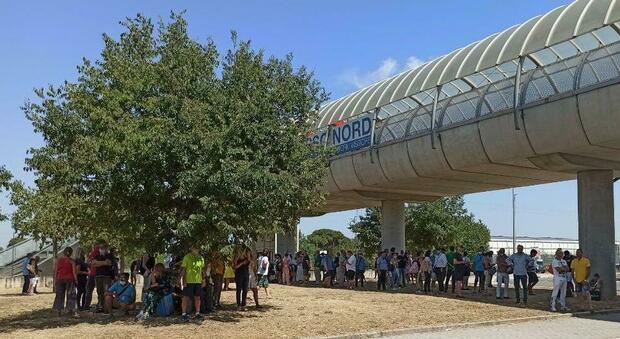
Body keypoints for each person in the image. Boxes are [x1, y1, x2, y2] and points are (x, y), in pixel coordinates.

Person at [179, 246, 205, 321]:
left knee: (197, 297)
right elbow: (184, 269)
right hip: (188, 281)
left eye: (197, 248)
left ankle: (197, 313)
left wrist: (203, 280)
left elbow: (202, 270)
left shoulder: (201, 258)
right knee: (185, 297)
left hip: (198, 281)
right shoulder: (187, 257)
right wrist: (183, 280)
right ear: (191, 248)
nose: (195, 249)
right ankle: (183, 314)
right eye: (194, 247)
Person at [53, 247, 79, 317]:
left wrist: (55, 280)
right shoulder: (72, 261)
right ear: (71, 253)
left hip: (60, 279)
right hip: (70, 279)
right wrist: (76, 280)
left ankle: (59, 311)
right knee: (71, 294)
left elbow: (56, 271)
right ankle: (71, 309)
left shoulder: (59, 260)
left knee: (59, 295)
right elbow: (74, 272)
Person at [92, 242, 114, 312]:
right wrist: (104, 262)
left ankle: (106, 308)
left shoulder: (109, 256)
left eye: (103, 248)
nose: (101, 249)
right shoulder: (97, 256)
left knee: (106, 292)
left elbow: (109, 263)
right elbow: (94, 264)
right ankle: (100, 307)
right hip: (98, 276)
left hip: (107, 276)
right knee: (99, 292)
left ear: (106, 248)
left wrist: (99, 263)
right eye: (100, 248)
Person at [232, 246, 250, 311]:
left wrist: (247, 258)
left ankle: (243, 304)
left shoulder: (247, 258)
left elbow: (250, 261)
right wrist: (242, 263)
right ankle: (238, 304)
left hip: (246, 274)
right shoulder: (237, 256)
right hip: (239, 274)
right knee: (239, 290)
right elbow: (234, 266)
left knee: (245, 290)